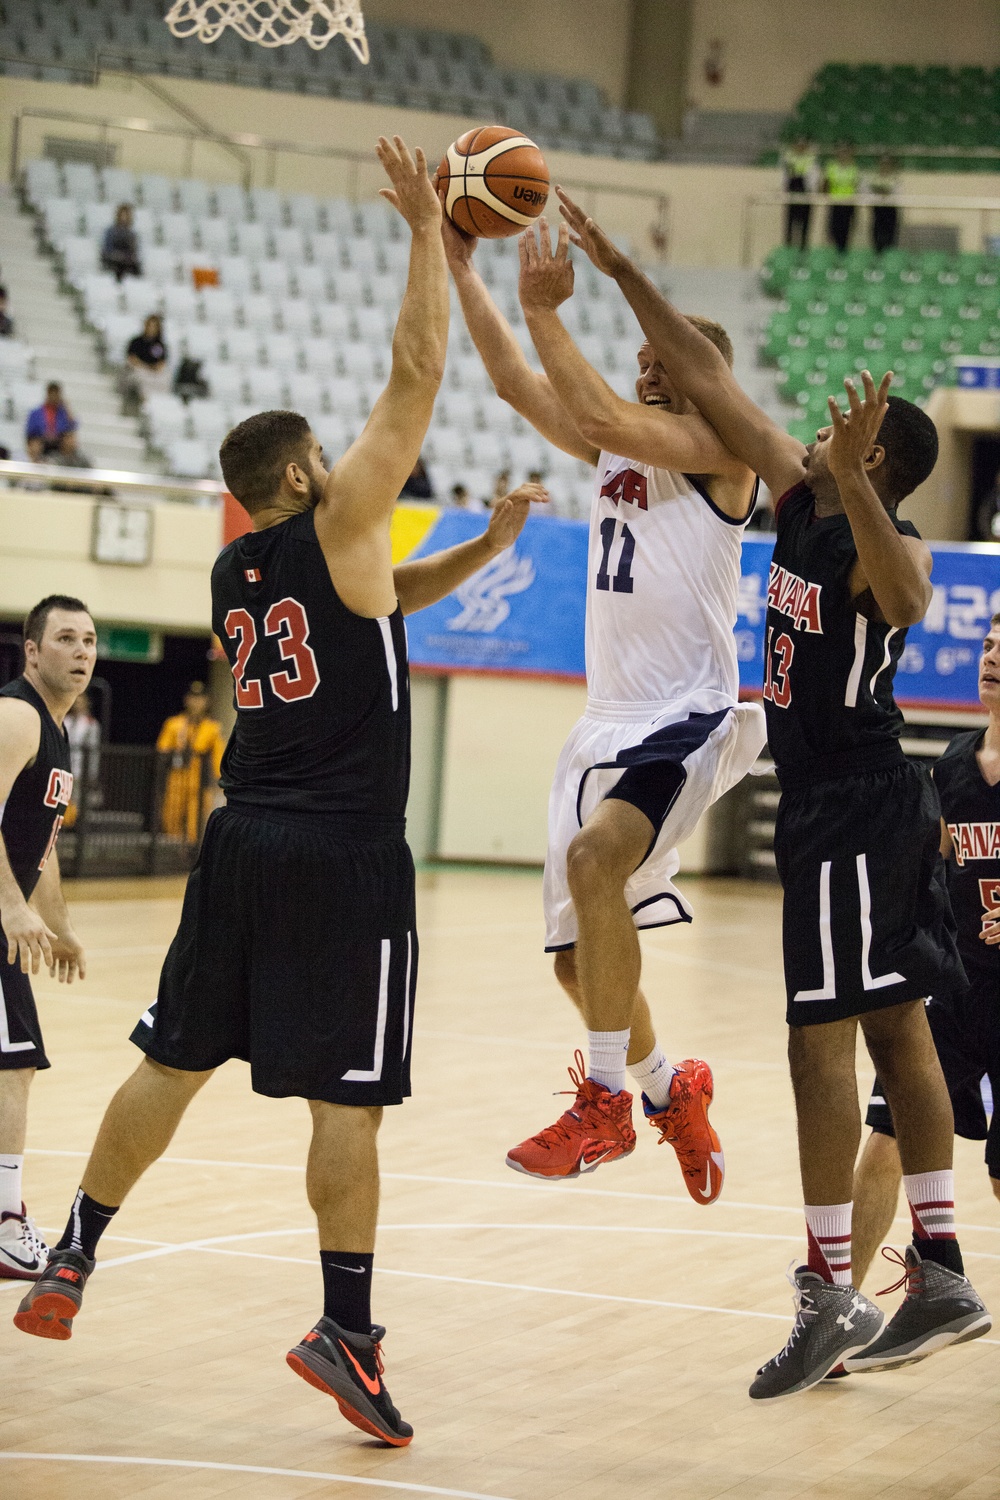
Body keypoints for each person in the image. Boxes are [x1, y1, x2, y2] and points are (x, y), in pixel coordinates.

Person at [13, 136, 546, 1451]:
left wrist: (479, 546)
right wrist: (435, 229)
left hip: (241, 842)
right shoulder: (339, 515)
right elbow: (417, 375)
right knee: (346, 1101)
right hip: (346, 857)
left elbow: (379, 607)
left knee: (172, 1058)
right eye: (328, 456)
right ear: (308, 475)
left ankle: (75, 1249)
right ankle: (346, 1334)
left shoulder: (238, 575)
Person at [555, 185, 991, 1395]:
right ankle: (942, 1263)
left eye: (840, 442)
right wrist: (617, 268)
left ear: (880, 464)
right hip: (840, 809)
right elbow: (705, 371)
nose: (799, 438)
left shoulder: (870, 535)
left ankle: (827, 1290)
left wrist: (851, 479)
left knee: (819, 1046)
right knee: (897, 1027)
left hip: (854, 801)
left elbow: (905, 604)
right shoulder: (796, 494)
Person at [443, 208, 766, 1201]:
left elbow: (593, 415)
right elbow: (511, 383)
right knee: (579, 968)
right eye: (641, 361)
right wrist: (459, 265)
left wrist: (550, 313)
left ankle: (605, 1107)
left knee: (593, 862)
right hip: (606, 722)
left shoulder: (722, 453)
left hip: (686, 712)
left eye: (664, 364)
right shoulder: (625, 451)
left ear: (702, 380)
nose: (646, 371)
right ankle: (671, 1087)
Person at [851, 613, 1000, 1287]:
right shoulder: (953, 766)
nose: (992, 657)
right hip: (955, 990)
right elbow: (929, 872)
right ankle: (838, 1307)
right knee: (886, 1135)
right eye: (990, 644)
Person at [0, 596, 96, 1281]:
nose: (82, 651)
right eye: (65, 638)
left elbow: (45, 843)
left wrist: (57, 925)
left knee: (14, 1060)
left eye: (89, 640)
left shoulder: (58, 731)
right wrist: (10, 907)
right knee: (15, 1062)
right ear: (33, 651)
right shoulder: (16, 717)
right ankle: (6, 1223)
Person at [156, 681, 226, 845]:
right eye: (193, 698)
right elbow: (162, 751)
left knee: (195, 824)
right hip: (176, 779)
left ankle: (190, 856)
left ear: (206, 702)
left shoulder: (212, 728)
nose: (196, 702)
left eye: (200, 698)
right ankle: (172, 857)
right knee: (171, 819)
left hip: (200, 783)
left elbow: (218, 758)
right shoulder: (173, 724)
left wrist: (219, 782)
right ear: (186, 700)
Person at [63, 690, 101, 822]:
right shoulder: (64, 720)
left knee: (78, 799)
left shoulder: (90, 723)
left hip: (80, 769)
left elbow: (94, 750)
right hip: (65, 766)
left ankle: (76, 827)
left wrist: (92, 773)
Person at [781, 137, 818, 251]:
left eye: (803, 145)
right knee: (790, 223)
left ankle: (803, 250)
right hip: (792, 193)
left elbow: (813, 177)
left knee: (805, 225)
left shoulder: (811, 159)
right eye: (798, 145)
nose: (800, 147)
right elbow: (785, 177)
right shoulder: (788, 158)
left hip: (806, 193)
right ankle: (788, 249)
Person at [25, 384, 77, 462]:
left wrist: (67, 407)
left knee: (69, 440)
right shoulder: (36, 413)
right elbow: (30, 432)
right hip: (42, 440)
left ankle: (66, 464)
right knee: (35, 444)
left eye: (56, 394)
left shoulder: (63, 412)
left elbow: (73, 425)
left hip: (58, 440)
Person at [824, 143, 859, 253]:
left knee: (846, 231)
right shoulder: (831, 167)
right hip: (835, 203)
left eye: (846, 152)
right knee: (833, 231)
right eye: (841, 152)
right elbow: (826, 184)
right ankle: (834, 253)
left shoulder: (854, 168)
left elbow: (856, 185)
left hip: (848, 204)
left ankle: (843, 254)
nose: (843, 155)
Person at [126, 314, 169, 398]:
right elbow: (132, 359)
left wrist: (151, 368)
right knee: (141, 377)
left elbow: (161, 364)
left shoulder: (160, 345)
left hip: (153, 373)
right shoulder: (136, 342)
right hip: (139, 370)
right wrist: (145, 367)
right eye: (150, 325)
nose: (151, 329)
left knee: (165, 378)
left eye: (154, 326)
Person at [868, 155, 901, 255]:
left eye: (887, 164)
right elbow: (870, 194)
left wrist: (881, 191)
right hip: (878, 210)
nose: (885, 166)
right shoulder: (874, 178)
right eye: (883, 164)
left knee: (890, 238)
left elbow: (896, 194)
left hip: (890, 210)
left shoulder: (896, 179)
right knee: (877, 238)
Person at [101, 204, 141, 281]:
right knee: (117, 266)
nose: (124, 218)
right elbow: (107, 248)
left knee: (135, 268)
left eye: (126, 216)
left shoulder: (131, 234)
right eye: (122, 215)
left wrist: (126, 257)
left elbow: (133, 251)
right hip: (113, 259)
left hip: (126, 260)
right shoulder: (111, 231)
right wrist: (116, 255)